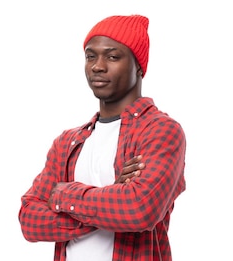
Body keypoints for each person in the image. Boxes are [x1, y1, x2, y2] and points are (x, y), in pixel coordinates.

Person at [18, 14, 187, 261]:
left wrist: (65, 195)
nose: (98, 66)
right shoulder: (67, 142)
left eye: (112, 56)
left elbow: (139, 210)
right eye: (90, 56)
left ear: (139, 65)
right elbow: (29, 220)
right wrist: (110, 201)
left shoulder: (160, 131)